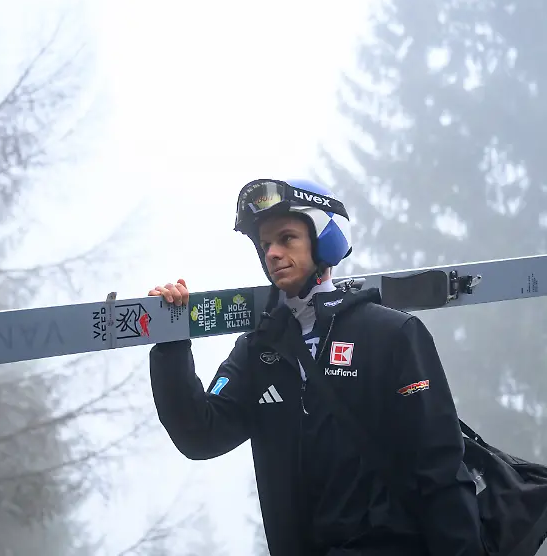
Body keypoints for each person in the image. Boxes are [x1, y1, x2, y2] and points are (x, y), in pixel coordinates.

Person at [147, 178, 483, 556]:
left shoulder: (390, 334)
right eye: (264, 244)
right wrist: (171, 343)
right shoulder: (258, 352)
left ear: (324, 239)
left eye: (286, 238)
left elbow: (440, 471)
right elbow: (200, 435)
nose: (272, 253)